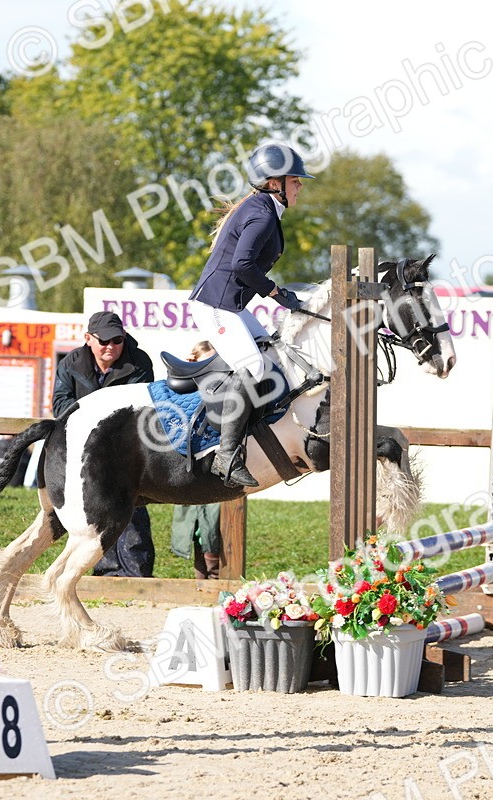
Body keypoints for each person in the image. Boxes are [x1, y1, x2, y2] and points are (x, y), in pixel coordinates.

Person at [187, 143, 313, 488]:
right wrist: (274, 292)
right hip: (215, 306)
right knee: (254, 366)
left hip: (231, 306)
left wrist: (279, 295)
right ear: (275, 183)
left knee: (269, 349)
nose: (300, 185)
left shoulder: (263, 207)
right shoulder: (261, 212)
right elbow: (242, 265)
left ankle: (256, 427)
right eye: (295, 180)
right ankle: (226, 455)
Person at [53, 310, 157, 577]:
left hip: (127, 449)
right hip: (85, 452)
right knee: (96, 511)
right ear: (89, 338)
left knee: (133, 509)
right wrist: (92, 421)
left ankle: (137, 575)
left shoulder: (140, 360)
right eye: (105, 341)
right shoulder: (69, 363)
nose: (111, 346)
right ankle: (105, 573)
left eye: (118, 340)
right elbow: (59, 405)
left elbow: (140, 407)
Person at [170, 341, 224, 579]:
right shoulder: (187, 392)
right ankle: (201, 582)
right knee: (195, 530)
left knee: (214, 527)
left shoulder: (226, 391)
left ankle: (214, 578)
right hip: (193, 468)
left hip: (217, 469)